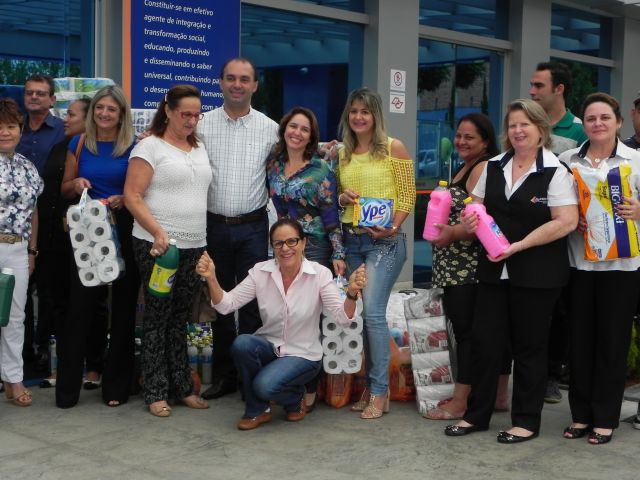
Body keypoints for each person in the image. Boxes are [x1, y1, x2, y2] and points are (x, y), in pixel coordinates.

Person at [446, 99, 578, 443]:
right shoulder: (494, 166)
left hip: (538, 274)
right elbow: (475, 208)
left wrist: (520, 246)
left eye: (525, 124)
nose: (518, 131)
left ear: (540, 129)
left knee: (529, 347)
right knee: (485, 343)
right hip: (494, 270)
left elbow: (565, 221)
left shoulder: (555, 171)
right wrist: (470, 219)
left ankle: (525, 421)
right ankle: (476, 415)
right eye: (513, 125)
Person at [195, 218, 366, 430]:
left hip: (303, 354)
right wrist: (211, 277)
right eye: (278, 243)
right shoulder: (261, 272)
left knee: (264, 386)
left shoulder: (319, 274)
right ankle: (257, 410)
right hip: (270, 347)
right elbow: (226, 305)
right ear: (272, 247)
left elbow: (343, 317)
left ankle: (295, 398)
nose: (285, 248)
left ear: (303, 243)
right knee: (242, 344)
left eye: (291, 241)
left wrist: (351, 294)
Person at [124, 84, 211, 417]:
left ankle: (183, 387)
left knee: (180, 319)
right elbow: (132, 196)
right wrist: (158, 232)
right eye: (185, 114)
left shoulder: (199, 147)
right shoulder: (149, 146)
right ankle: (155, 391)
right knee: (157, 318)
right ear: (169, 110)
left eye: (196, 115)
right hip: (158, 247)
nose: (191, 120)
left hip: (194, 246)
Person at [559, 92, 640, 445]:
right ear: (584, 124)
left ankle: (605, 417)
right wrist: (570, 217)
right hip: (579, 264)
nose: (598, 124)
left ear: (618, 122)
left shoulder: (636, 160)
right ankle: (580, 415)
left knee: (612, 342)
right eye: (591, 118)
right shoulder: (567, 161)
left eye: (605, 117)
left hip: (623, 267)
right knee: (580, 342)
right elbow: (556, 206)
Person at [198, 57, 279, 400]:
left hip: (253, 228)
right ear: (220, 82)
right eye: (230, 78)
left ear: (255, 86)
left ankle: (250, 378)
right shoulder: (201, 125)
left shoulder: (271, 129)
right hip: (213, 226)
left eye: (244, 79)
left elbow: (298, 155)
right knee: (218, 300)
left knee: (251, 304)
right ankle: (223, 376)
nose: (237, 85)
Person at [423, 113, 511, 420]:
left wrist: (450, 234)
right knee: (480, 334)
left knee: (467, 334)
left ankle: (461, 401)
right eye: (459, 135)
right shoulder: (466, 166)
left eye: (469, 137)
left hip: (466, 267)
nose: (461, 141)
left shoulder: (481, 168)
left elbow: (479, 221)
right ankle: (499, 395)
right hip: (455, 264)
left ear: (485, 142)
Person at [57, 85, 140, 408]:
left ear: (122, 115)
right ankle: (67, 391)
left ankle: (116, 387)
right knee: (80, 310)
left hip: (124, 228)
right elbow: (64, 189)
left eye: (112, 109)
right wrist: (76, 184)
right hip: (88, 233)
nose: (105, 114)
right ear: (93, 112)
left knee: (123, 310)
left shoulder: (135, 146)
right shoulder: (79, 143)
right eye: (100, 108)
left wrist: (125, 198)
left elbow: (142, 190)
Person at [336, 87, 416, 419]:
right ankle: (371, 387)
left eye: (365, 111)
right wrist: (342, 198)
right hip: (352, 240)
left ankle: (380, 392)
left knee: (373, 314)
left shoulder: (393, 147)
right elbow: (337, 196)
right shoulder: (342, 152)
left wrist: (393, 226)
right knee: (364, 316)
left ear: (375, 116)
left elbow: (408, 195)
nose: (358, 117)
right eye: (354, 111)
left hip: (385, 242)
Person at [266, 106, 346, 412]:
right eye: (293, 126)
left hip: (314, 250)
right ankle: (288, 381)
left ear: (311, 136)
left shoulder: (320, 170)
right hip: (284, 249)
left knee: (311, 322)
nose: (297, 133)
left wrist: (338, 254)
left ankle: (310, 388)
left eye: (304, 129)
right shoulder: (274, 165)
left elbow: (331, 217)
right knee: (286, 318)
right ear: (284, 129)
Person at [529, 61, 588, 404]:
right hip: (528, 230)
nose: (532, 91)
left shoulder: (579, 131)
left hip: (564, 236)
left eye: (539, 85)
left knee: (560, 310)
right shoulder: (528, 124)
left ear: (559, 89)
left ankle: (552, 374)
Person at [36, 98, 94, 388]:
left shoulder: (92, 151)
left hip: (84, 237)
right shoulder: (60, 147)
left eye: (71, 114)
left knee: (88, 304)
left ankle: (93, 366)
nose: (65, 119)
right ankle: (61, 365)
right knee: (56, 301)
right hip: (53, 236)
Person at [16, 74, 65, 365]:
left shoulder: (63, 131)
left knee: (48, 291)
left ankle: (44, 351)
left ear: (52, 99)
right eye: (29, 92)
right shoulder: (13, 128)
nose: (34, 97)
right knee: (17, 294)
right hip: (14, 223)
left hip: (50, 221)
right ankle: (20, 353)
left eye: (40, 93)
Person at [0, 98, 43, 406]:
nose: (5, 132)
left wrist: (31, 251)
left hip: (17, 249)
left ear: (20, 130)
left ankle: (13, 380)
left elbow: (34, 213)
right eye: (0, 127)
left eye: (11, 126)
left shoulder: (27, 166)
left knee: (15, 318)